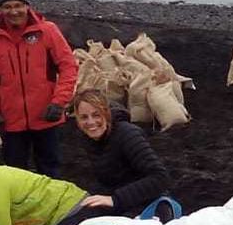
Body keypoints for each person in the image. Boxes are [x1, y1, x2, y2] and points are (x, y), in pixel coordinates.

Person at [0, 0, 77, 178]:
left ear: (27, 6)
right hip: (10, 120)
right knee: (15, 173)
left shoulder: (47, 31)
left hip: (47, 117)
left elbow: (68, 66)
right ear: (0, 9)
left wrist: (59, 102)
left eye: (18, 5)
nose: (14, 11)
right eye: (7, 6)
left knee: (50, 171)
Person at [69, 89, 173, 217]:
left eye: (96, 115)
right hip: (119, 202)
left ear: (106, 114)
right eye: (84, 117)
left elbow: (160, 178)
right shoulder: (89, 139)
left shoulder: (127, 135)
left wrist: (115, 199)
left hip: (149, 203)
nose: (90, 122)